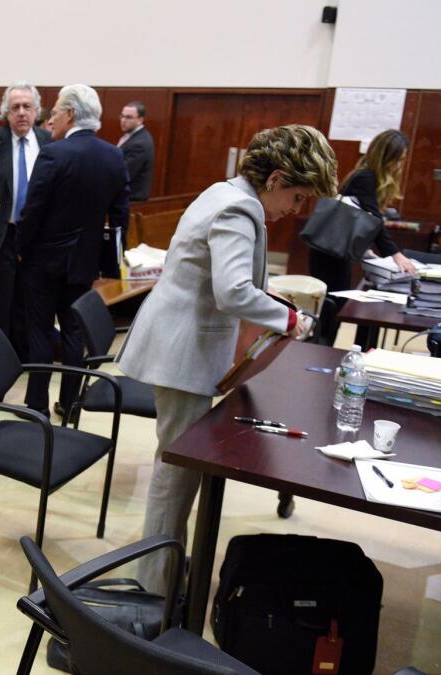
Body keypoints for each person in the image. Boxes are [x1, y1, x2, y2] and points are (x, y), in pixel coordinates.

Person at [117, 124, 335, 595]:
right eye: (296, 198)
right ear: (276, 178)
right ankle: (155, 589)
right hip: (182, 352)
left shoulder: (226, 192)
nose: (294, 211)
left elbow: (233, 277)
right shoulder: (239, 207)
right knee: (177, 473)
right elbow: (233, 290)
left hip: (186, 344)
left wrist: (275, 299)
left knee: (180, 468)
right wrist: (287, 319)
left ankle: (165, 568)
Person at [16, 84, 129, 418]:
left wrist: (21, 249)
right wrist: (109, 256)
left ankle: (36, 405)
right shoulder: (113, 154)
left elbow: (33, 210)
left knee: (39, 331)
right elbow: (120, 213)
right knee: (73, 331)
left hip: (43, 260)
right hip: (85, 261)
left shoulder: (54, 153)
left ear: (69, 114)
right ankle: (70, 403)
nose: (51, 120)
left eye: (54, 113)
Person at [0, 82, 52, 353]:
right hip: (2, 235)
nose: (22, 113)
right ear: (6, 112)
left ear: (37, 111)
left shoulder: (48, 142)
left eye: (27, 107)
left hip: (35, 238)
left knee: (30, 302)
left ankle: (23, 356)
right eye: (16, 107)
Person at [309, 129, 417, 294]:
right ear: (385, 157)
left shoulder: (365, 174)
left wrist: (363, 248)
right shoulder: (366, 177)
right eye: (397, 160)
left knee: (337, 299)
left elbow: (355, 216)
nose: (399, 166)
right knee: (334, 301)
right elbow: (374, 219)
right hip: (329, 252)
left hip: (336, 248)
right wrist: (395, 255)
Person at [117, 101, 154, 201]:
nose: (123, 120)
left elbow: (124, 173)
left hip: (132, 200)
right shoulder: (132, 137)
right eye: (122, 116)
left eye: (128, 117)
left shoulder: (139, 143)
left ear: (140, 120)